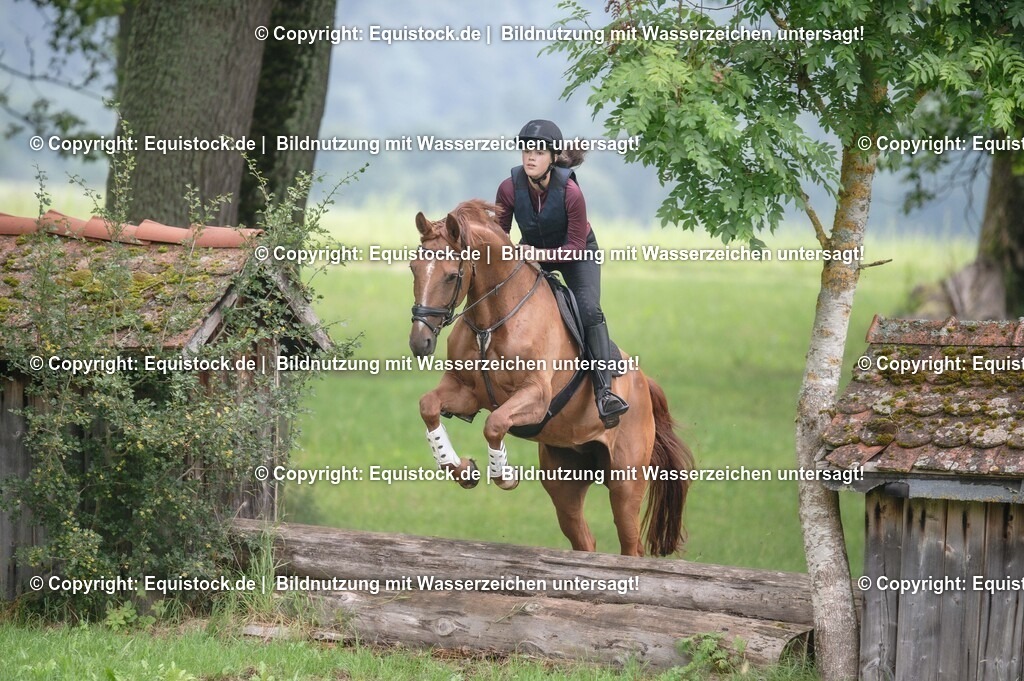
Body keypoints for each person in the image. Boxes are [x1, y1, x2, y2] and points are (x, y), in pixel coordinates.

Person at [495, 119, 629, 429]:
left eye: (539, 152)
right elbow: (500, 235)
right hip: (533, 251)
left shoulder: (570, 192)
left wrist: (537, 254)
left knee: (589, 309)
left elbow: (575, 246)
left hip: (576, 254)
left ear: (553, 158)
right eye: (527, 150)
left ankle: (605, 392)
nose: (530, 156)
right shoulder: (508, 188)